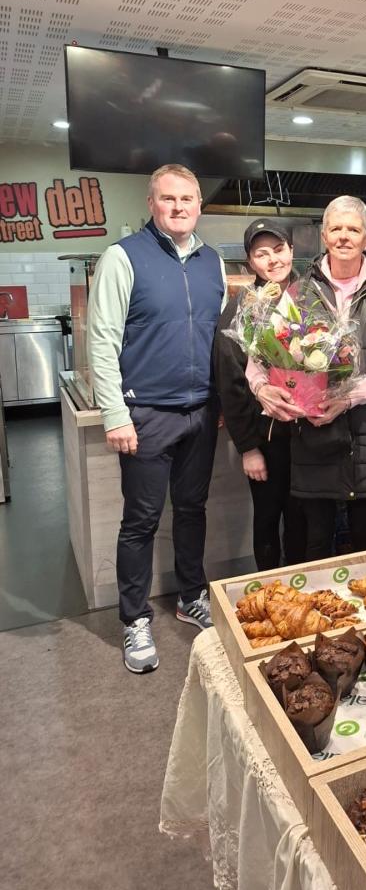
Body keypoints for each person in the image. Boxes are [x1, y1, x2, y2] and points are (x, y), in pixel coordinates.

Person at [87, 163, 227, 673]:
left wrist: (225, 404)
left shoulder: (212, 262)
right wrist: (114, 414)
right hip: (146, 414)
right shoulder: (123, 258)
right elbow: (101, 340)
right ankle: (133, 620)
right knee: (140, 521)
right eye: (168, 199)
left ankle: (192, 595)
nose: (178, 207)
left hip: (201, 411)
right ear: (151, 203)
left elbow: (222, 344)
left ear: (198, 204)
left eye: (187, 198)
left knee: (193, 509)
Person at [249, 195, 366, 558]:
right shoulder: (298, 292)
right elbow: (260, 357)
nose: (344, 236)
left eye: (353, 229)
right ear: (324, 236)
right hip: (315, 441)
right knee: (316, 546)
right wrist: (263, 389)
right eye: (336, 228)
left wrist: (348, 398)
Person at [213, 218, 307, 571]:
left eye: (279, 250)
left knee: (305, 521)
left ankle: (305, 593)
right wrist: (249, 449)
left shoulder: (313, 298)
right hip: (266, 438)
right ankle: (271, 595)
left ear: (292, 251)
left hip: (312, 433)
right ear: (250, 262)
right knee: (268, 519)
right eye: (261, 254)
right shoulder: (240, 310)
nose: (273, 260)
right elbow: (231, 384)